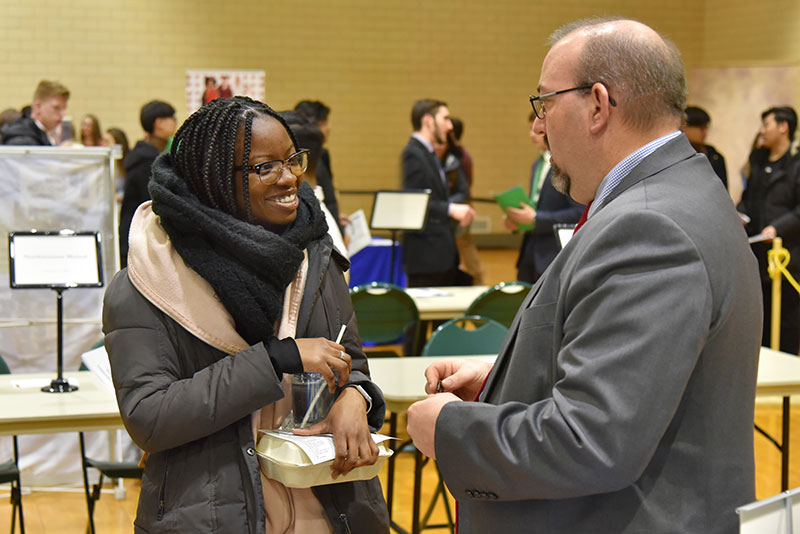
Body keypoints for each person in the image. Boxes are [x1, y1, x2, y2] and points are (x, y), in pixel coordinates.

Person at [407, 17, 761, 533]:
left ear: (597, 104)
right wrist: (506, 385)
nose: (539, 127)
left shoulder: (649, 226)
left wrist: (450, 429)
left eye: (544, 104)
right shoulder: (679, 193)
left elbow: (593, 438)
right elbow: (639, 385)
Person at [102, 96, 389, 533]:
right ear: (214, 179)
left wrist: (356, 398)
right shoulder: (148, 281)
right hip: (215, 515)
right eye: (264, 167)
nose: (289, 177)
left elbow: (351, 362)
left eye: (293, 159)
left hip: (335, 510)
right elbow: (151, 417)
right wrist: (275, 360)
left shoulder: (316, 255)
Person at [738, 106, 800, 353]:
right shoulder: (758, 160)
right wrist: (739, 212)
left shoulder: (796, 165)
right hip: (756, 256)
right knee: (758, 321)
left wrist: (778, 227)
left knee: (786, 323)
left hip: (788, 261)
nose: (763, 131)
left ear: (783, 127)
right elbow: (748, 197)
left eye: (767, 125)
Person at [401, 99, 475, 287]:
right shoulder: (413, 154)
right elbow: (415, 202)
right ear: (428, 120)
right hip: (426, 257)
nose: (450, 126)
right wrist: (451, 209)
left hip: (439, 255)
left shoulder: (428, 154)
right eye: (445, 119)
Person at [505, 111, 583, 283]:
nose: (531, 134)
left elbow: (578, 212)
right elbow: (537, 206)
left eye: (536, 130)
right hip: (529, 250)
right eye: (530, 129)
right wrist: (520, 221)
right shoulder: (537, 164)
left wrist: (536, 219)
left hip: (552, 253)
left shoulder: (567, 165)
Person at [118, 100, 176, 267]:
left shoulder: (146, 154)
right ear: (159, 123)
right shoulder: (147, 160)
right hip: (137, 239)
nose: (175, 122)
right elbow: (151, 201)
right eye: (171, 118)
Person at [294, 100, 344, 232]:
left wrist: (336, 220)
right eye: (326, 122)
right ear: (320, 125)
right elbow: (329, 198)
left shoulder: (321, 154)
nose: (329, 128)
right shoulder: (317, 155)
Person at [448, 117, 483, 285]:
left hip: (462, 208)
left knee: (464, 244)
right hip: (459, 206)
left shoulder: (460, 156)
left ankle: (476, 279)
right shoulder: (458, 154)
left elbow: (463, 187)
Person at [1, 80, 69, 145]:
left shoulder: (41, 134)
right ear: (38, 106)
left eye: (64, 109)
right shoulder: (23, 138)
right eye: (56, 108)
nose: (63, 114)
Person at [682, 105, 728, 188]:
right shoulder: (675, 156)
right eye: (701, 128)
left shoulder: (715, 157)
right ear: (685, 126)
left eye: (706, 127)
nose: (705, 132)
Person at [102, 127, 131, 199]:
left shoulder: (128, 164)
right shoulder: (103, 164)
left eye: (106, 141)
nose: (103, 145)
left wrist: (119, 196)